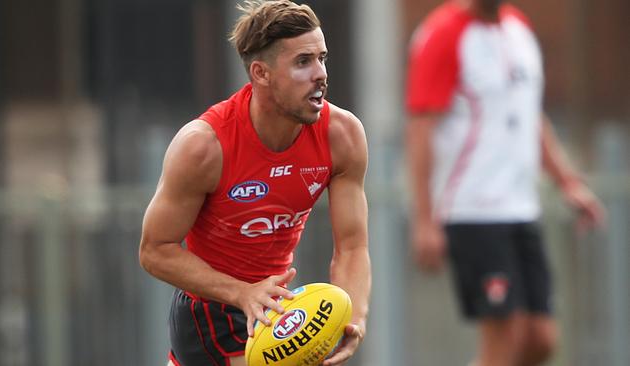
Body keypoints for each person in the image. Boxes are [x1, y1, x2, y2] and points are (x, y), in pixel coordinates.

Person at [139, 1, 371, 366]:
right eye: (302, 62)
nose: (321, 74)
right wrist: (242, 293)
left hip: (273, 307)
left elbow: (353, 247)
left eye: (322, 58)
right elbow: (154, 250)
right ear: (261, 73)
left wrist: (352, 317)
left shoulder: (342, 135)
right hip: (209, 314)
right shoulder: (204, 146)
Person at [405, 0, 605, 365]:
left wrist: (568, 183)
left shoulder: (519, 28)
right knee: (504, 333)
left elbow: (530, 115)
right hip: (472, 209)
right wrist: (424, 220)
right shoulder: (443, 33)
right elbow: (421, 129)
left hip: (521, 207)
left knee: (541, 338)